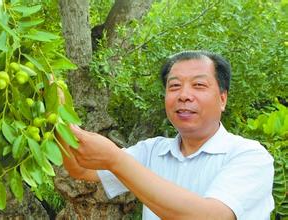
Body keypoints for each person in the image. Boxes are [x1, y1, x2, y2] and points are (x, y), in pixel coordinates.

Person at [57, 50, 274, 220]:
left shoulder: (249, 155)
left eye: (198, 85)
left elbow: (210, 216)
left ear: (223, 99)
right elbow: (82, 168)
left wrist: (116, 159)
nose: (184, 95)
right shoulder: (152, 151)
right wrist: (57, 115)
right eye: (175, 86)